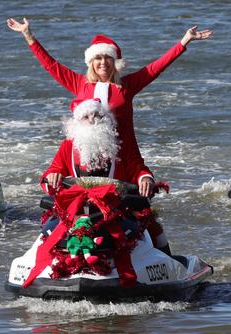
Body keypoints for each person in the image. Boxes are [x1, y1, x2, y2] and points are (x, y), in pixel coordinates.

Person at [7, 17, 212, 169]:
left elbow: (157, 67)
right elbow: (50, 65)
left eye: (108, 58)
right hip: (86, 156)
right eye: (98, 58)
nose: (103, 62)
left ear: (115, 63)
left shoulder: (127, 86)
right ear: (91, 62)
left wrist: (184, 41)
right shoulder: (79, 83)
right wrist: (28, 35)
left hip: (123, 156)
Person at [40, 98, 170, 255]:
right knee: (48, 231)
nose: (92, 120)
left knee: (153, 227)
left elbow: (138, 167)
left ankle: (171, 261)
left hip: (117, 207)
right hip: (77, 209)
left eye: (97, 115)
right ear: (76, 123)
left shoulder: (121, 145)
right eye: (85, 117)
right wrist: (53, 176)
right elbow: (52, 170)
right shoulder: (67, 146)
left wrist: (145, 179)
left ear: (106, 119)